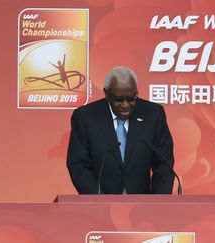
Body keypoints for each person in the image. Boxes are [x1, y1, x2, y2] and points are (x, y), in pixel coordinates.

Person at [66, 66, 175, 194]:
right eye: (118, 100)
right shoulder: (85, 117)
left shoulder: (153, 114)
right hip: (99, 206)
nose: (125, 105)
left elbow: (164, 165)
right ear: (106, 93)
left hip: (142, 206)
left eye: (131, 99)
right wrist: (97, 201)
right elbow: (78, 165)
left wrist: (158, 204)